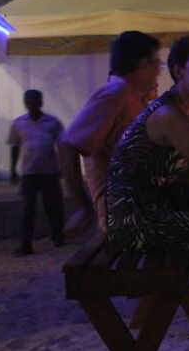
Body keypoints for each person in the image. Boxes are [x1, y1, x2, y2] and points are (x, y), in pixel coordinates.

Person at [105, 36, 189, 277]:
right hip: (135, 221)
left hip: (154, 211)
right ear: (179, 71)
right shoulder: (168, 114)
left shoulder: (184, 110)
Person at [61, 31, 161, 233]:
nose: (158, 72)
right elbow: (67, 146)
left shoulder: (132, 96)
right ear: (143, 64)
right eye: (157, 64)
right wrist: (82, 207)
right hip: (123, 215)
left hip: (137, 208)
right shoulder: (115, 93)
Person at [7, 90, 65, 255]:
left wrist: (62, 166)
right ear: (25, 103)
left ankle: (57, 237)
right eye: (29, 102)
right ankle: (25, 244)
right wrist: (13, 170)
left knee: (53, 206)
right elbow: (15, 147)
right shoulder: (19, 123)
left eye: (35, 101)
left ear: (41, 102)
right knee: (27, 210)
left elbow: (62, 146)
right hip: (29, 173)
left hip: (49, 172)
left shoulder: (53, 122)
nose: (32, 105)